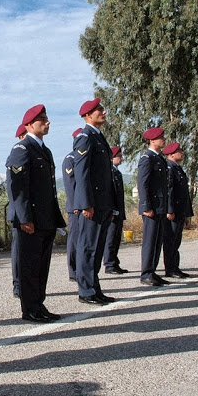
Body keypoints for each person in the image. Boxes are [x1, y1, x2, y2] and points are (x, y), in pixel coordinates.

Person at [6, 104, 66, 323]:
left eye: (47, 118)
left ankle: (39, 305)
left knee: (41, 266)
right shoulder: (22, 149)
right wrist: (24, 218)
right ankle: (29, 309)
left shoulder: (45, 150)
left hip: (45, 219)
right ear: (29, 124)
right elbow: (18, 187)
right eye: (42, 119)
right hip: (30, 219)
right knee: (29, 267)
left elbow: (48, 190)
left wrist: (55, 218)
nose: (47, 122)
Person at [73, 98, 117, 305]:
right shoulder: (85, 137)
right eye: (99, 110)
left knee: (97, 247)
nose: (103, 112)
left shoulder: (99, 137)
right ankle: (86, 291)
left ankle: (94, 288)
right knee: (88, 247)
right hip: (92, 204)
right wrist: (85, 204)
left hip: (103, 202)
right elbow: (81, 173)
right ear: (88, 115)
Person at [137, 127, 170, 287]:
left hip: (160, 206)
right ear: (152, 140)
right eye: (160, 137)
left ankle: (153, 271)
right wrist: (146, 206)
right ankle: (146, 273)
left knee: (157, 241)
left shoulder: (159, 159)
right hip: (152, 207)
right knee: (150, 241)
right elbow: (143, 184)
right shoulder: (147, 158)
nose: (163, 139)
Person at [162, 142, 193, 278]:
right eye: (179, 151)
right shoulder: (169, 168)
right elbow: (169, 191)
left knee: (176, 240)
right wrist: (169, 210)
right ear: (171, 154)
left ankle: (175, 267)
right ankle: (170, 268)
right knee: (170, 240)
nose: (182, 153)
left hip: (180, 210)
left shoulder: (177, 168)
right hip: (173, 211)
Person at [103, 146, 129, 274]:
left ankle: (114, 261)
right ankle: (109, 264)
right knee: (111, 238)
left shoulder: (116, 172)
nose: (121, 158)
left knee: (116, 237)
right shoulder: (108, 172)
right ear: (112, 158)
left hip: (119, 211)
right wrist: (112, 210)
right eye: (119, 156)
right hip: (113, 211)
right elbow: (108, 193)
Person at [62, 128, 83, 282]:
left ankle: (83, 269)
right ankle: (73, 270)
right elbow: (71, 184)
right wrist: (77, 204)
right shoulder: (70, 159)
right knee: (75, 239)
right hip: (75, 208)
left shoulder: (84, 157)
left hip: (87, 206)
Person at [11, 124, 28, 298]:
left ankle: (25, 286)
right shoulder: (18, 151)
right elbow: (14, 188)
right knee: (18, 252)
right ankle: (18, 285)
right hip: (19, 213)